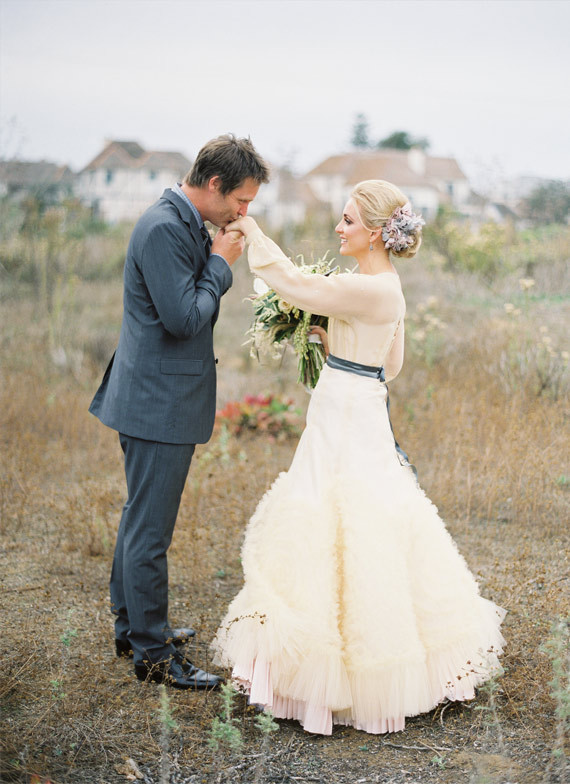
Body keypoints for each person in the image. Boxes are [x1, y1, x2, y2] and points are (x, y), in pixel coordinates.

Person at [211, 180, 505, 733]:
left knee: (336, 519)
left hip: (345, 413)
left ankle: (338, 673)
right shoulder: (382, 286)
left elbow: (294, 284)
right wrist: (333, 342)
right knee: (353, 517)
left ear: (374, 233)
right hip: (357, 399)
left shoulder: (372, 290)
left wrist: (252, 232)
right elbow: (389, 366)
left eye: (347, 221)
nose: (338, 229)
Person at [89, 134, 270, 690]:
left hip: (150, 394)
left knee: (138, 518)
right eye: (241, 200)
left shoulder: (179, 218)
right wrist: (220, 262)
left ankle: (134, 625)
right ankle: (152, 654)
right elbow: (185, 318)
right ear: (213, 185)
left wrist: (213, 250)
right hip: (156, 402)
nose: (244, 213)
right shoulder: (167, 227)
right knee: (150, 531)